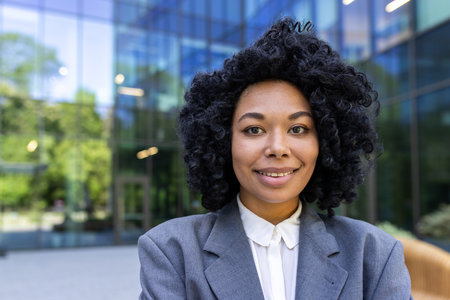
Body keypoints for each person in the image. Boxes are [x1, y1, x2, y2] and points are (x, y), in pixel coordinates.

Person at [138, 18, 412, 300]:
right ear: (223, 141)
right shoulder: (172, 251)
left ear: (326, 143)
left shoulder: (373, 253)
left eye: (298, 129)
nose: (277, 148)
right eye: (254, 130)